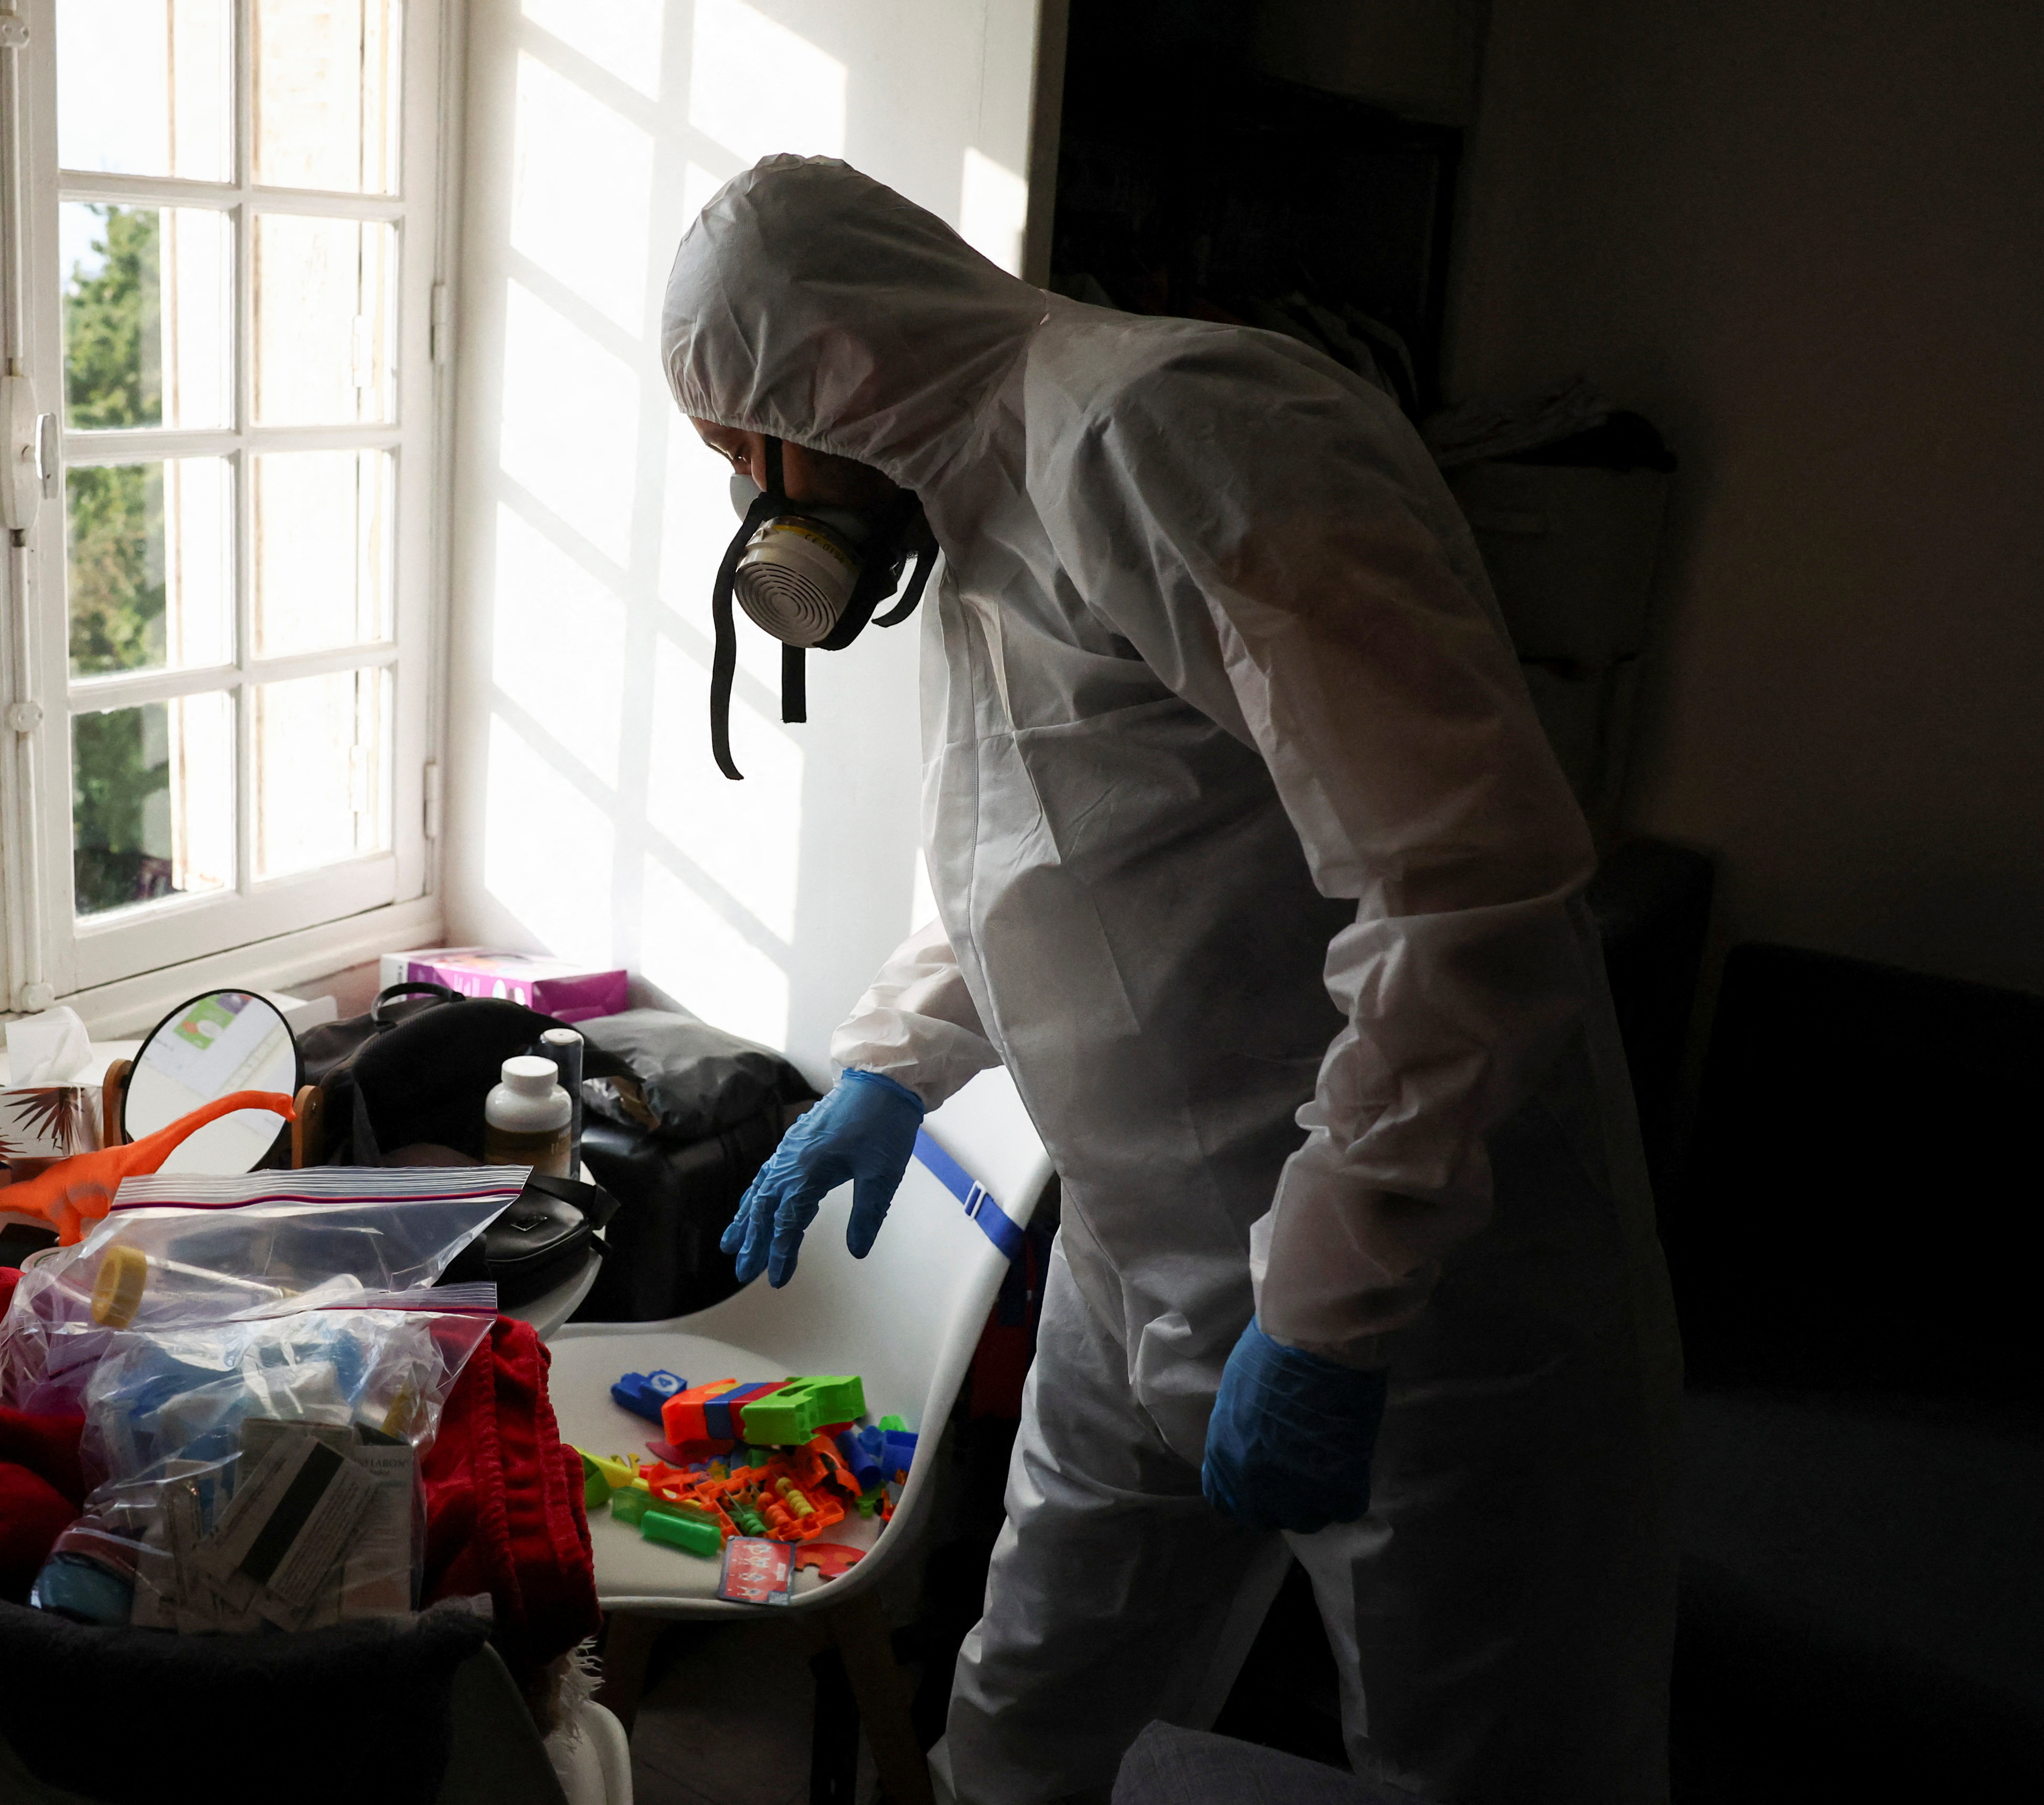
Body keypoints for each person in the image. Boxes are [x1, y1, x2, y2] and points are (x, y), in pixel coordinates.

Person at [664, 156, 1681, 1804]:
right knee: (1020, 1713)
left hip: (1415, 1291)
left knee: (1475, 1754)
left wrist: (1330, 1304)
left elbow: (1461, 878)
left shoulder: (1165, 432)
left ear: (826, 375)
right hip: (1141, 1258)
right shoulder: (971, 517)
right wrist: (888, 1066)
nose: (762, 517)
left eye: (749, 456)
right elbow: (1053, 868)